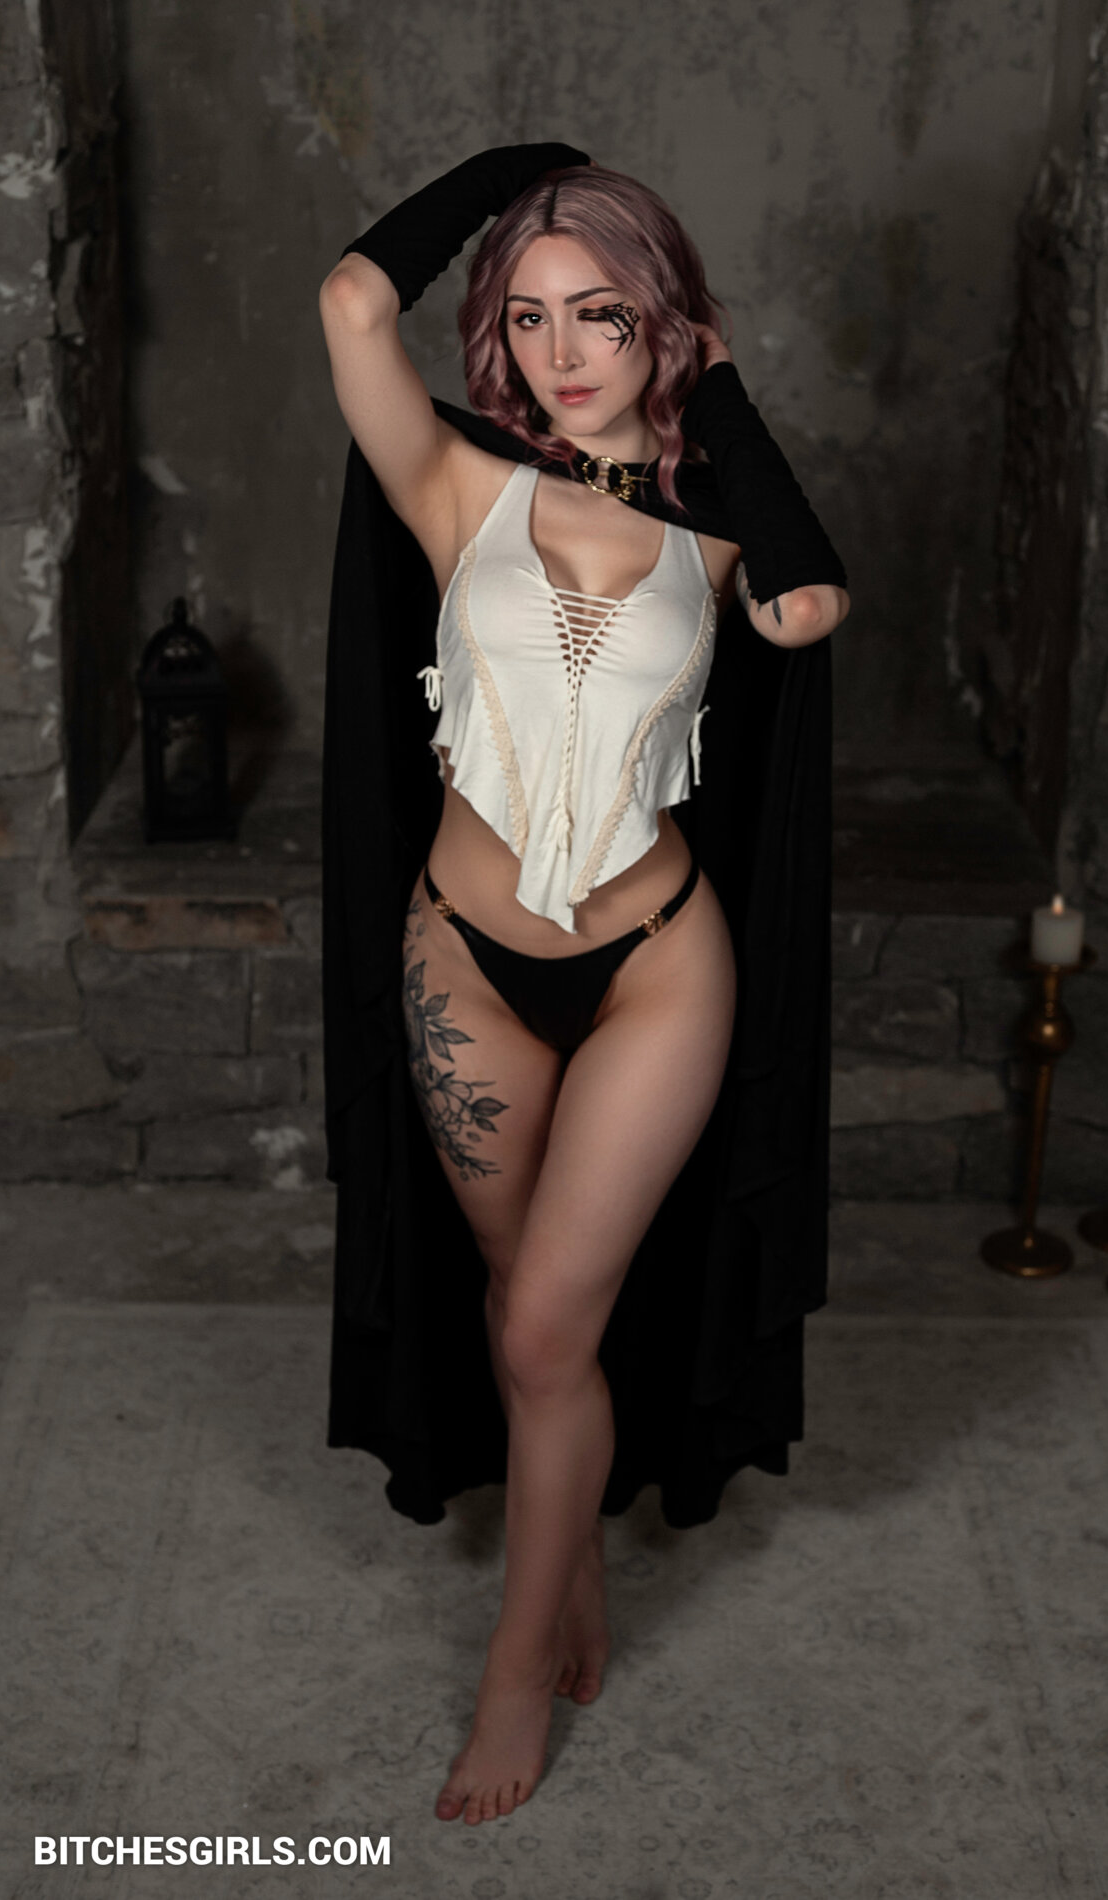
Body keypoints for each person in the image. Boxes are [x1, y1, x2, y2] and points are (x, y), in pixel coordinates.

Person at [318, 143, 849, 1828]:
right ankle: (574, 1564)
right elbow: (351, 301)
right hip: (463, 963)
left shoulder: (721, 528)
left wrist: (720, 379)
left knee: (550, 1324)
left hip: (653, 972)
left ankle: (510, 1665)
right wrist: (519, 176)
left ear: (662, 323)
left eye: (603, 313)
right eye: (530, 315)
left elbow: (810, 608)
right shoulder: (453, 484)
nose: (562, 351)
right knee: (520, 1305)